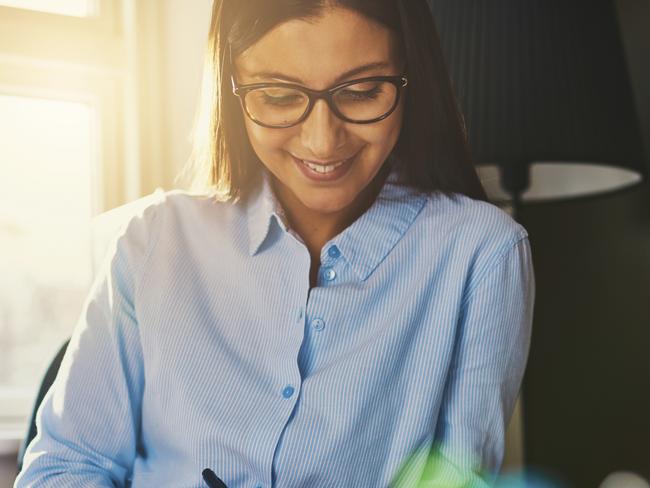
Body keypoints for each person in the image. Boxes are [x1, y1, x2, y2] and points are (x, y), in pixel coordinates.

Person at [15, 1, 535, 487]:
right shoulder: (152, 243)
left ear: (411, 79)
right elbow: (64, 466)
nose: (322, 141)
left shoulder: (482, 256)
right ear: (232, 87)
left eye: (361, 92)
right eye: (280, 96)